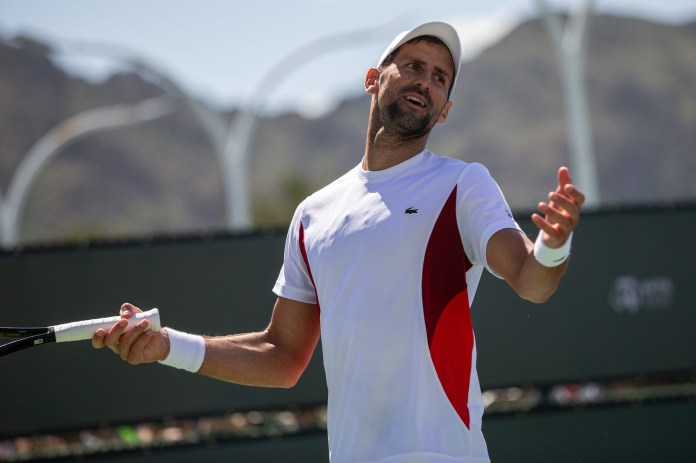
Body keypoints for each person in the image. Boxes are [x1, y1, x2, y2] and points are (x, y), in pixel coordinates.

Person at [93, 21, 584, 463]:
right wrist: (165, 346)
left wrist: (552, 246)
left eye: (440, 78)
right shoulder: (313, 214)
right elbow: (281, 356)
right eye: (414, 65)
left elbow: (530, 280)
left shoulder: (464, 185)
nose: (426, 82)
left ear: (446, 110)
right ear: (374, 79)